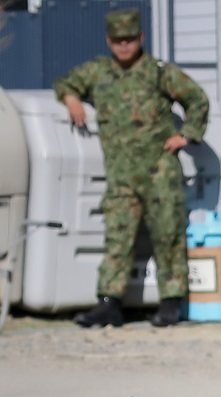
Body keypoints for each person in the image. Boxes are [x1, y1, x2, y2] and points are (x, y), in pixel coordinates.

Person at [55, 8, 209, 328]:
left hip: (158, 171)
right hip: (121, 175)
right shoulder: (97, 71)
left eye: (129, 39)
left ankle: (170, 303)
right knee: (117, 237)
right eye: (117, 40)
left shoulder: (159, 72)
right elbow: (66, 82)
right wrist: (71, 99)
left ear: (140, 37)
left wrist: (186, 135)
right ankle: (108, 303)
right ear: (108, 41)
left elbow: (197, 99)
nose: (123, 46)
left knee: (167, 235)